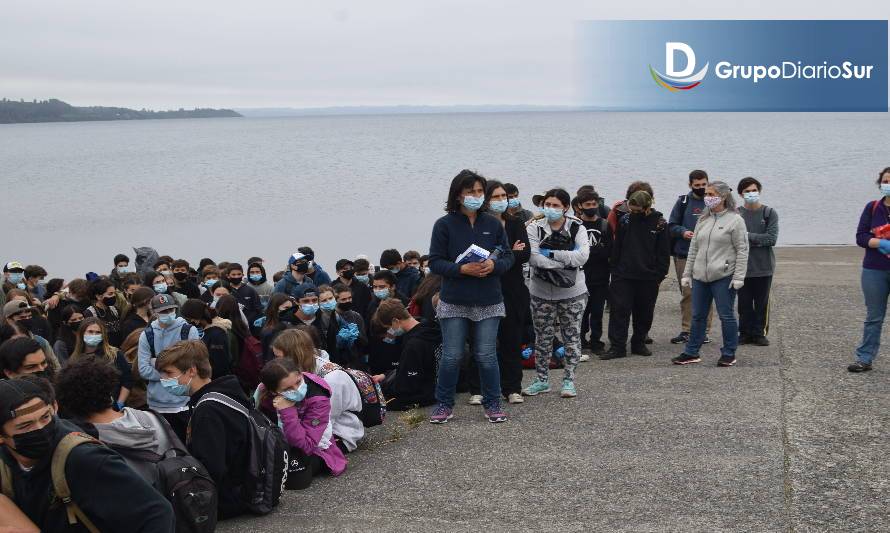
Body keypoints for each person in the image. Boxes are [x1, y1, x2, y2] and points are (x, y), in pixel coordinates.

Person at [0, 377, 175, 531]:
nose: (41, 429)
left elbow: (157, 513)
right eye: (25, 426)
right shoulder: (5, 461)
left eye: (45, 417)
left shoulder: (84, 459)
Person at [428, 169, 514, 424]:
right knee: (452, 355)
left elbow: (507, 256)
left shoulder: (492, 224)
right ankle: (444, 403)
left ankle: (493, 402)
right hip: (454, 299)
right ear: (458, 195)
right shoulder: (443, 225)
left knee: (486, 355)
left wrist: (493, 266)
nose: (476, 196)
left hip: (489, 299)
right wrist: (461, 269)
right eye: (470, 192)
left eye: (479, 191)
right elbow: (435, 262)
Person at [156, 340, 251, 519]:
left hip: (228, 499)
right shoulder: (225, 392)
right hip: (243, 487)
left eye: (169, 373)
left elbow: (211, 467)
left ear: (192, 370)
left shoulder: (207, 411)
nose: (164, 380)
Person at [523, 188, 590, 399]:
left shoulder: (577, 227)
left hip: (573, 292)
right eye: (547, 205)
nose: (550, 209)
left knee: (572, 337)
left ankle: (569, 380)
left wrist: (552, 254)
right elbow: (533, 258)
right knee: (542, 338)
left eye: (555, 205)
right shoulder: (534, 228)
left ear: (566, 207)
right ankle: (541, 380)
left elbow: (582, 257)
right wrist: (564, 262)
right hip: (541, 292)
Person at [674, 181, 749, 367]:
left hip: (723, 276)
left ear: (723, 197)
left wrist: (739, 276)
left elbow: (742, 249)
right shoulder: (703, 219)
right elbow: (694, 248)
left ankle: (729, 353)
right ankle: (691, 352)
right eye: (706, 194)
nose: (707, 197)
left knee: (726, 315)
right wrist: (687, 273)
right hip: (700, 276)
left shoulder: (735, 220)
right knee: (698, 315)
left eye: (711, 194)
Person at [472, 180, 530, 404]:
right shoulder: (479, 224)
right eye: (495, 197)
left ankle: (512, 387)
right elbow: (478, 256)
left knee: (511, 340)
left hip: (513, 290)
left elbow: (525, 254)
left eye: (503, 196)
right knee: (482, 340)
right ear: (486, 200)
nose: (501, 201)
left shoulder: (515, 222)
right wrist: (508, 253)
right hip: (485, 289)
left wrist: (499, 257)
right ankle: (477, 388)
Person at [601, 190, 671, 360]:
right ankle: (617, 347)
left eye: (637, 211)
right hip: (623, 275)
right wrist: (615, 269)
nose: (634, 213)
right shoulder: (625, 220)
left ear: (647, 207)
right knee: (619, 311)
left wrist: (658, 276)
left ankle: (638, 343)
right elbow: (618, 246)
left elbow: (663, 253)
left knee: (644, 313)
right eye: (632, 210)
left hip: (648, 277)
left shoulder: (660, 224)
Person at [271, 328, 364, 452]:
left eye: (278, 357)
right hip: (312, 428)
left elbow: (325, 419)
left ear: (294, 355)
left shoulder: (332, 378)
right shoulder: (300, 371)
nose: (276, 362)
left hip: (340, 433)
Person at [258, 358, 347, 488]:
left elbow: (306, 445)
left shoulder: (318, 398)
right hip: (279, 444)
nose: (297, 389)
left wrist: (287, 411)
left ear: (300, 373)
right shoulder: (263, 393)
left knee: (295, 479)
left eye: (298, 382)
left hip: (314, 449)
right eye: (288, 388)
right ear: (274, 392)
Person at [136, 294, 199, 442]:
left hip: (184, 402)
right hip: (156, 405)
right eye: (163, 311)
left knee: (187, 445)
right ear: (154, 312)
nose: (168, 314)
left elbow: (194, 367)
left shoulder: (188, 331)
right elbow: (143, 370)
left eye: (170, 310)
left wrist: (156, 363)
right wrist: (177, 371)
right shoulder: (147, 335)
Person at [849, 167, 890, 372]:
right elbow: (860, 237)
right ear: (880, 183)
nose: (888, 184)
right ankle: (864, 358)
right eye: (886, 181)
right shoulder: (872, 207)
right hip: (874, 269)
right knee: (874, 317)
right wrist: (880, 243)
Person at [668, 170, 714, 345]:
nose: (701, 188)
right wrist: (683, 232)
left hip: (708, 255)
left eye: (704, 185)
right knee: (687, 293)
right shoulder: (683, 202)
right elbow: (671, 225)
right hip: (685, 254)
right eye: (697, 185)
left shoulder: (713, 201)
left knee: (707, 293)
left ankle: (705, 331)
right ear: (690, 185)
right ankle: (687, 330)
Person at [372, 298, 441, 410]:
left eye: (388, 328)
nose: (390, 332)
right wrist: (386, 376)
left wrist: (384, 386)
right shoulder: (429, 327)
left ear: (395, 321)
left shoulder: (413, 344)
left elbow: (407, 384)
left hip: (422, 396)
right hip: (435, 388)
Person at [736, 177, 779, 347]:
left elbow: (771, 238)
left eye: (754, 190)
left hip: (764, 267)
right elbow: (733, 238)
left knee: (762, 303)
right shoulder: (736, 213)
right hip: (742, 267)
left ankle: (759, 333)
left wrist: (747, 237)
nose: (751, 193)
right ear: (741, 194)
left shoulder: (769, 213)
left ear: (759, 191)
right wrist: (754, 239)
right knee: (744, 303)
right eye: (747, 191)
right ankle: (745, 333)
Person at [576, 189, 612, 356]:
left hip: (601, 277)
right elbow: (574, 252)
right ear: (580, 206)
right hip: (581, 277)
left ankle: (596, 340)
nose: (591, 207)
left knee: (597, 312)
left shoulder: (604, 225)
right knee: (582, 312)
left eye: (594, 204)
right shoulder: (576, 225)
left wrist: (592, 251)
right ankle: (580, 339)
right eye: (587, 204)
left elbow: (609, 251)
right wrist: (595, 250)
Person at [69, 318, 132, 409]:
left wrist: (120, 403)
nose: (94, 335)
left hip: (113, 408)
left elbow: (127, 379)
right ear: (82, 333)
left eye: (98, 332)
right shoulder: (75, 359)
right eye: (90, 332)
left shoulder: (114, 354)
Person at [181, 299, 233, 379]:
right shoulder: (210, 330)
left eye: (189, 319)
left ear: (195, 318)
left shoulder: (216, 334)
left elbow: (220, 365)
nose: (189, 322)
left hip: (217, 381)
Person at [2, 300, 59, 372]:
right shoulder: (3, 342)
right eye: (22, 317)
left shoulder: (40, 341)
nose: (27, 320)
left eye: (29, 316)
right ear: (9, 320)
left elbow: (56, 367)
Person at [325, 285, 368, 369]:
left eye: (349, 298)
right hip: (337, 363)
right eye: (343, 299)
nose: (348, 301)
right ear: (335, 300)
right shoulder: (330, 318)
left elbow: (365, 342)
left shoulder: (356, 316)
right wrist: (338, 341)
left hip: (355, 362)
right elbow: (327, 345)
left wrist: (357, 337)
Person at [83, 278, 123, 347]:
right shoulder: (90, 313)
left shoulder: (115, 310)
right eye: (110, 294)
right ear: (98, 296)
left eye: (114, 293)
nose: (113, 296)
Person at [333, 258, 373, 323]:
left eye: (351, 268)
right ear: (338, 272)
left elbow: (368, 308)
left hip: (360, 323)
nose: (349, 270)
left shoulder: (362, 287)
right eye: (345, 269)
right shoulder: (333, 287)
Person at [260, 293, 296, 361]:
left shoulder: (289, 324)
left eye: (291, 308)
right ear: (275, 308)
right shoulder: (270, 332)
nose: (290, 311)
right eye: (286, 308)